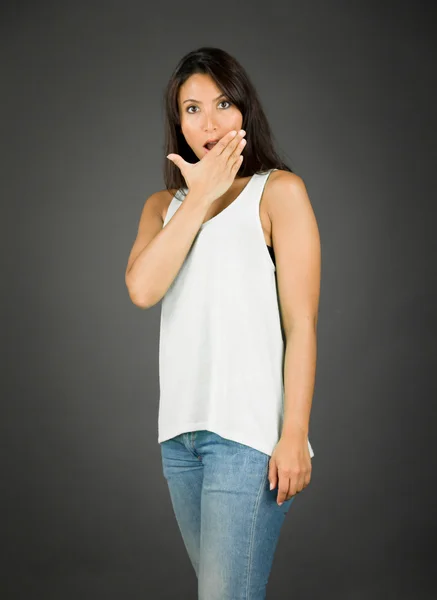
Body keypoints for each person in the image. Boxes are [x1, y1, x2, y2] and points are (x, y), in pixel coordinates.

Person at [125, 46, 321, 600]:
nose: (209, 123)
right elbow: (143, 289)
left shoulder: (278, 192)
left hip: (248, 438)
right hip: (179, 441)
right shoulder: (161, 206)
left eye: (223, 103)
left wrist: (295, 434)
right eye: (192, 108)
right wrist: (201, 196)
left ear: (245, 111)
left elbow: (301, 324)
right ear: (177, 121)